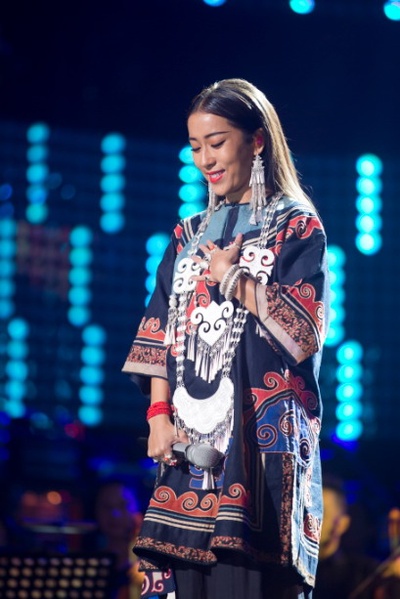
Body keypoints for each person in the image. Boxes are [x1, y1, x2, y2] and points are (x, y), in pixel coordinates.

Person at [122, 78, 330, 599]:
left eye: (216, 143)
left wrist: (233, 279)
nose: (205, 160)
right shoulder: (186, 234)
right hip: (186, 448)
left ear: (256, 141)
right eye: (196, 147)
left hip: (259, 448)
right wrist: (158, 416)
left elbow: (303, 333)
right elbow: (157, 332)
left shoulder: (296, 226)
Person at [313, 475, 380, 599]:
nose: (309, 519)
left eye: (320, 513)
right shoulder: (286, 569)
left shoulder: (364, 574)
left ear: (341, 524)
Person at [92, 479, 144, 599]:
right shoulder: (91, 565)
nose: (114, 514)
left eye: (123, 505)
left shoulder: (156, 564)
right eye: (106, 507)